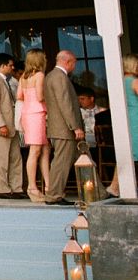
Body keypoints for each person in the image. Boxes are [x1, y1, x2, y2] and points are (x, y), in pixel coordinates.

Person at [44, 49, 85, 206]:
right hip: (64, 129)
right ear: (67, 62)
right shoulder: (59, 77)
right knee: (62, 162)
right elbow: (65, 104)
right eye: (74, 63)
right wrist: (75, 126)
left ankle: (97, 191)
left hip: (60, 128)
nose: (74, 67)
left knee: (83, 157)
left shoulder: (51, 76)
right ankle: (54, 195)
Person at [0, 53, 24, 199]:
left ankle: (16, 187)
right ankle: (1, 189)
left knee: (15, 157)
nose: (12, 67)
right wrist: (1, 124)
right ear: (3, 66)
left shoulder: (7, 81)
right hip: (2, 126)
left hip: (12, 125)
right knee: (1, 159)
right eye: (10, 65)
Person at [18, 50, 51, 202]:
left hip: (27, 112)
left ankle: (49, 185)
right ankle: (32, 186)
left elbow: (19, 96)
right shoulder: (39, 76)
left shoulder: (23, 77)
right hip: (36, 113)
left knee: (44, 149)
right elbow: (40, 96)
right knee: (35, 150)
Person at [108, 53, 138, 197]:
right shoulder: (134, 81)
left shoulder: (119, 82)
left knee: (127, 152)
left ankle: (115, 186)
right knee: (132, 153)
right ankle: (115, 186)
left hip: (127, 119)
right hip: (136, 119)